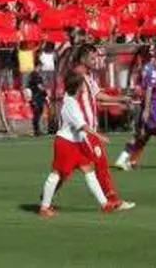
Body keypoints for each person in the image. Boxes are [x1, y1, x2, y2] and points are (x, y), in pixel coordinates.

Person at [39, 73, 135, 217]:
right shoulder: (71, 103)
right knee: (57, 173)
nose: (84, 87)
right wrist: (99, 136)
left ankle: (104, 204)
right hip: (65, 143)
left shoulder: (71, 101)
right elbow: (82, 125)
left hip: (76, 143)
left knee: (89, 170)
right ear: (78, 87)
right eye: (82, 85)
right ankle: (44, 207)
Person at [68, 44, 130, 209]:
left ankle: (47, 196)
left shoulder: (87, 76)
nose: (95, 61)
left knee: (67, 167)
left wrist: (120, 99)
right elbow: (70, 101)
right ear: (83, 58)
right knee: (101, 163)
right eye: (93, 57)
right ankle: (112, 200)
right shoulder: (76, 76)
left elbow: (97, 95)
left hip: (88, 130)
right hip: (84, 130)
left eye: (96, 57)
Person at [27, 68, 48, 137]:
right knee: (37, 114)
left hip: (35, 97)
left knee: (37, 114)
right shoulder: (36, 76)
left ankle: (37, 130)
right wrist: (45, 93)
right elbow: (40, 87)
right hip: (37, 98)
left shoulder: (31, 77)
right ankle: (36, 131)